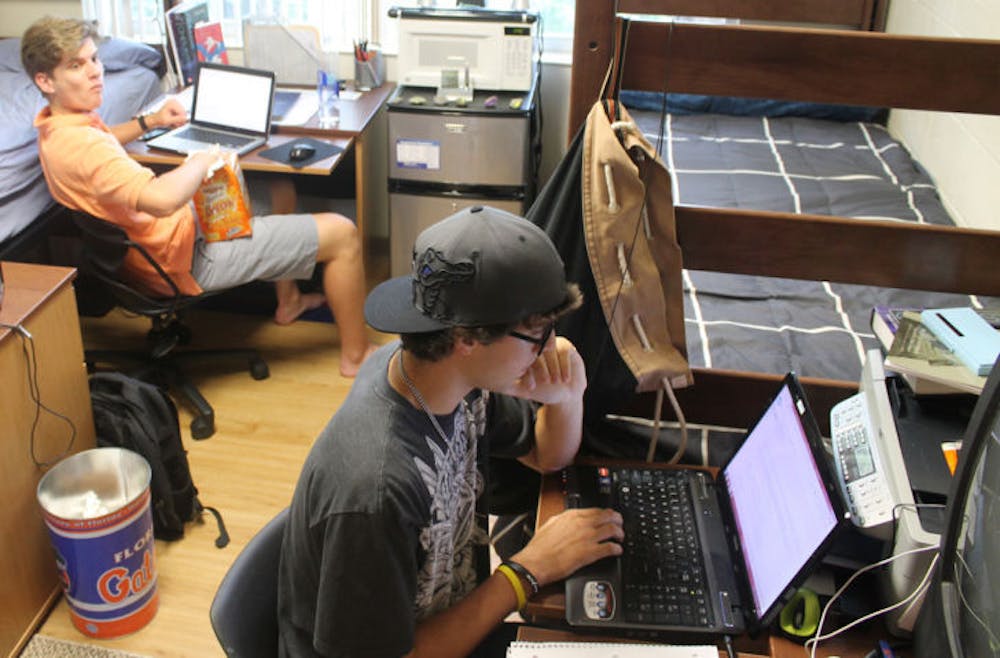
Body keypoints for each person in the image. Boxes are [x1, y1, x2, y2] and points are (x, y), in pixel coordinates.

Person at [278, 205, 625, 657]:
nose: (546, 348)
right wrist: (525, 572)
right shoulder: (376, 490)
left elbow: (546, 454)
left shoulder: (448, 380)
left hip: (446, 623)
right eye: (537, 332)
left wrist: (566, 393)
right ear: (467, 338)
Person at [21, 16, 376, 376]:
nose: (95, 72)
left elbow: (105, 140)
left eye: (94, 59)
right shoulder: (83, 147)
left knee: (281, 188)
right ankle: (356, 357)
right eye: (77, 66)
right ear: (45, 80)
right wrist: (202, 159)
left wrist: (151, 122)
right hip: (181, 259)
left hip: (144, 252)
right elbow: (160, 199)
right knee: (343, 234)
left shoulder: (57, 127)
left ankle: (290, 300)